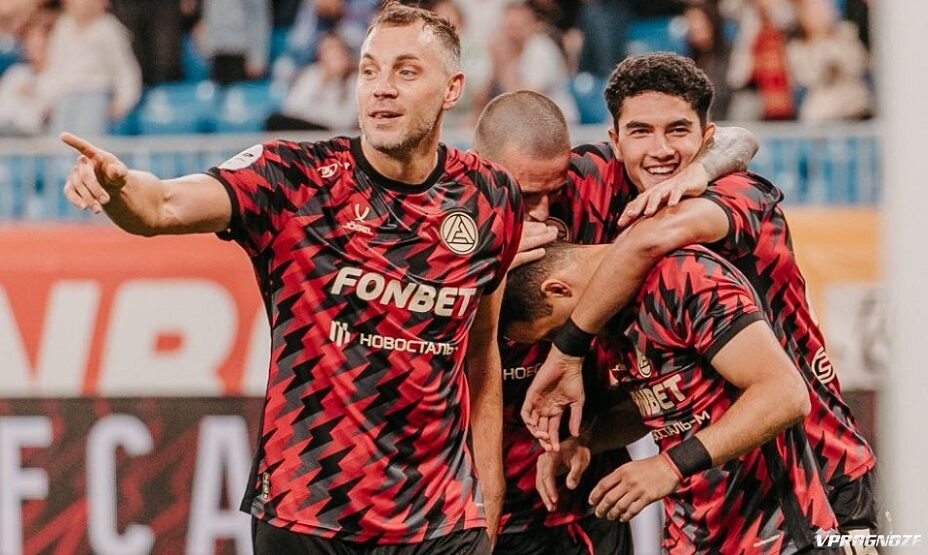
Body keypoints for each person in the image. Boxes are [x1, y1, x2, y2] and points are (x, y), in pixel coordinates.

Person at [60, 3, 522, 553]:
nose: (382, 87)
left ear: (452, 89)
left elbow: (481, 355)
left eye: (406, 71)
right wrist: (118, 187)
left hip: (441, 522)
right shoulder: (292, 179)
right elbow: (161, 206)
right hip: (308, 514)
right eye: (369, 70)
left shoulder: (490, 197)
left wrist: (488, 496)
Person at [522, 52, 878, 539]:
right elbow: (663, 398)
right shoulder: (606, 199)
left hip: (813, 477)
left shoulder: (738, 193)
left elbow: (651, 238)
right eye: (640, 131)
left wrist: (567, 349)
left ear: (706, 138)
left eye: (678, 130)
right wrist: (588, 439)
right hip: (704, 511)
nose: (661, 149)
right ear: (614, 141)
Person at [470, 90, 759, 554]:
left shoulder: (594, 181)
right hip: (471, 503)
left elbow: (737, 140)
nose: (542, 211)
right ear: (480, 169)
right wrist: (482, 260)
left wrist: (698, 172)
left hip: (586, 494)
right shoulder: (445, 220)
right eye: (524, 196)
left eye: (553, 191)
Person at [502, 241, 840, 554]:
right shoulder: (610, 318)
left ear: (558, 289)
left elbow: (785, 394)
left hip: (777, 537)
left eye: (556, 333)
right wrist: (587, 441)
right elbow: (657, 403)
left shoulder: (683, 276)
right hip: (690, 538)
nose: (563, 347)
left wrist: (669, 465)